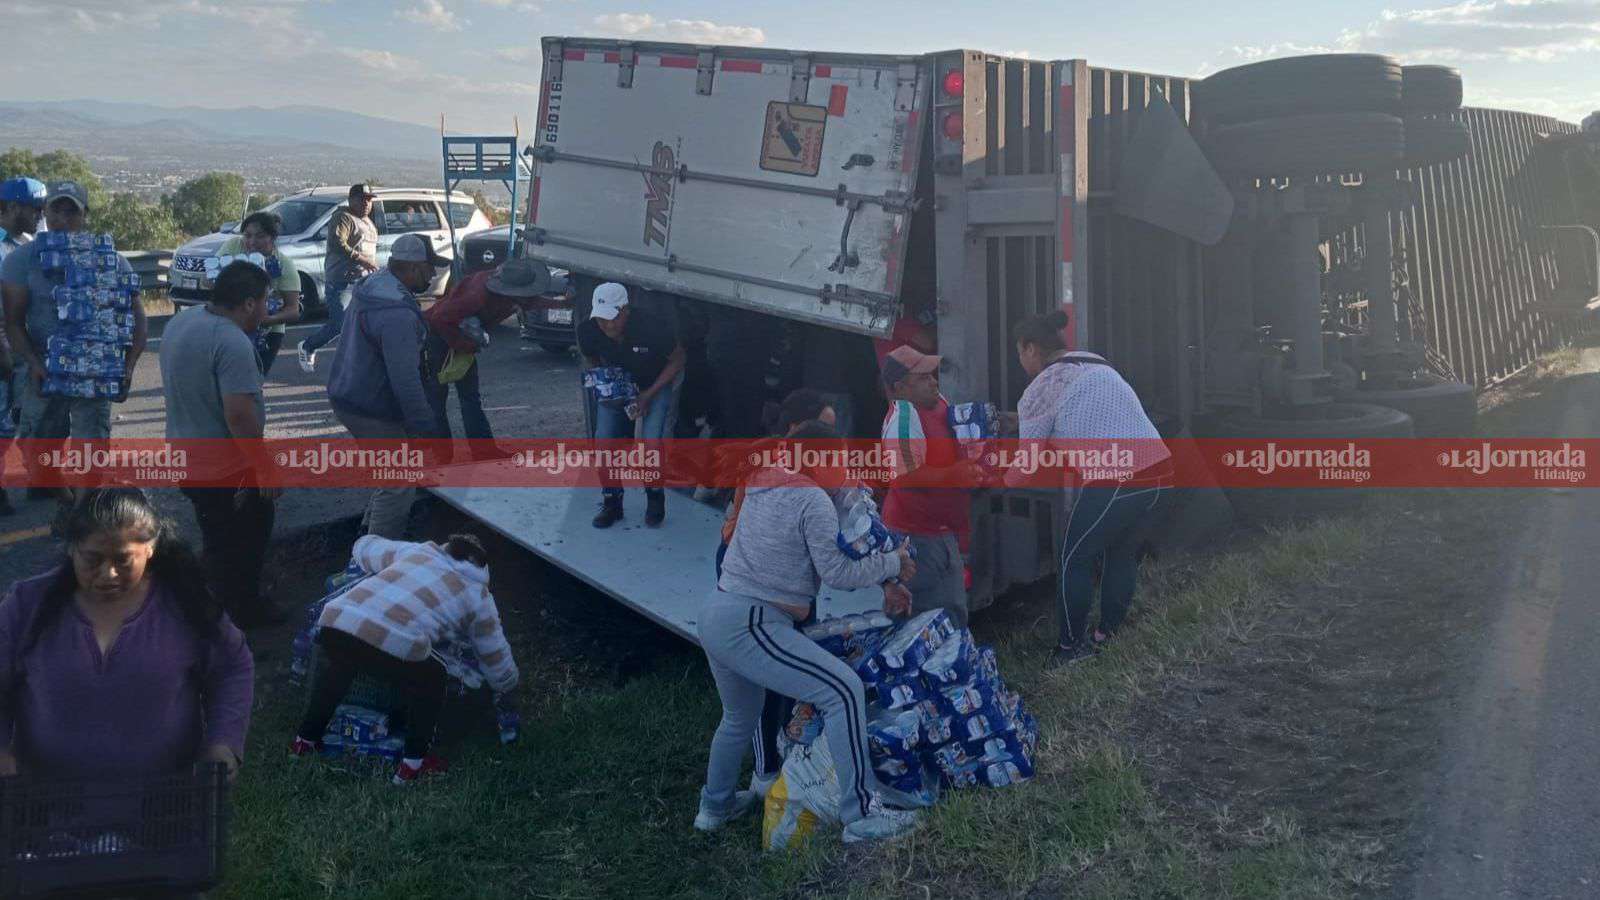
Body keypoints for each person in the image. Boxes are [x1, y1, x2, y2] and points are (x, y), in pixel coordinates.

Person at [697, 419, 920, 842]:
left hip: (716, 611)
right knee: (842, 691)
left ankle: (715, 808)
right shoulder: (811, 500)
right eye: (836, 455)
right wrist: (892, 563)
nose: (842, 464)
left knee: (738, 716)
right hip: (752, 620)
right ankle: (861, 817)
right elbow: (836, 571)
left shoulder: (766, 477)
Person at [0, 488, 254, 781]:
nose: (108, 574)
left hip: (168, 809)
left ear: (151, 548)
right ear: (71, 549)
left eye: (123, 560)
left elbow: (232, 667)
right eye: (92, 560)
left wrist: (223, 742)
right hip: (47, 808)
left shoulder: (185, 603)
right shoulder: (27, 605)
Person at [289, 532, 520, 785]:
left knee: (341, 666)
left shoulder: (419, 552)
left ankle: (304, 742)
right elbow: (495, 655)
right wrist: (506, 685)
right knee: (434, 678)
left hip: (337, 619)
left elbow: (366, 547)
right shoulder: (479, 596)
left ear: (448, 547)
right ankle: (413, 766)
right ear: (483, 567)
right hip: (395, 639)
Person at [1010, 309, 1173, 666]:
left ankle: (1070, 650)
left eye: (1019, 353)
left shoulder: (1041, 388)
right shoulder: (1093, 361)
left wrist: (985, 476)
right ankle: (1108, 634)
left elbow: (1026, 468)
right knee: (1122, 552)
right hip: (1160, 469)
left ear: (1031, 348)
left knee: (1073, 559)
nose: (1020, 361)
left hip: (1119, 478)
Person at [1, 181, 148, 500]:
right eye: (56, 209)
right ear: (45, 212)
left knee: (91, 447)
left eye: (72, 211)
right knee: (36, 444)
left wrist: (128, 367)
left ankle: (86, 510)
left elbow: (138, 318)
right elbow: (13, 322)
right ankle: (59, 492)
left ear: (85, 216)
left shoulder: (111, 260)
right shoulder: (22, 260)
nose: (63, 219)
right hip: (44, 367)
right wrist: (35, 364)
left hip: (95, 371)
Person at [160, 260, 285, 628]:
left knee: (217, 537)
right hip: (224, 466)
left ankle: (212, 608)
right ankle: (236, 615)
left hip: (187, 455)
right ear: (248, 303)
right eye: (265, 301)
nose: (267, 310)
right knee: (242, 541)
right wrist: (264, 468)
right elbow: (240, 415)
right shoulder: (232, 342)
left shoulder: (182, 321)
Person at [326, 232, 448, 539]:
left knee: (390, 473)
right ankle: (375, 562)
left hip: (350, 393)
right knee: (399, 481)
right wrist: (425, 424)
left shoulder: (373, 287)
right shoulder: (396, 314)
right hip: (369, 406)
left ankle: (368, 534)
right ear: (410, 268)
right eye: (428, 268)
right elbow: (404, 380)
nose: (432, 275)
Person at [878, 345, 984, 628]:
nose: (934, 381)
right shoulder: (902, 416)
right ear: (900, 388)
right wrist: (954, 474)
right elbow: (904, 476)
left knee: (953, 612)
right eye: (923, 377)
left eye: (932, 374)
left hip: (941, 533)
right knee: (917, 623)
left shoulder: (939, 403)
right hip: (915, 538)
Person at [576, 283, 685, 529]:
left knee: (650, 443)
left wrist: (647, 395)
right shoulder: (588, 330)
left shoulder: (653, 327)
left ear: (626, 310)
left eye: (612, 318)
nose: (607, 326)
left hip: (654, 384)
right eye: (601, 319)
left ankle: (655, 497)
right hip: (619, 384)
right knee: (604, 441)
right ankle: (612, 501)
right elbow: (590, 357)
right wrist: (605, 382)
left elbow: (678, 359)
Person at [423, 258, 549, 447]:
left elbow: (530, 302)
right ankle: (442, 454)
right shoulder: (476, 295)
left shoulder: (506, 287)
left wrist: (563, 304)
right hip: (438, 338)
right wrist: (463, 344)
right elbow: (439, 319)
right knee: (438, 398)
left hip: (462, 337)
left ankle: (482, 451)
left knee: (470, 398)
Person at [298, 184, 379, 372]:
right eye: (362, 199)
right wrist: (362, 260)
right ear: (351, 199)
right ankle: (308, 345)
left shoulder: (367, 221)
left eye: (369, 199)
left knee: (367, 322)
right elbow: (337, 243)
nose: (366, 203)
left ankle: (360, 361)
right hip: (343, 281)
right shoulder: (343, 217)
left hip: (365, 280)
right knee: (339, 323)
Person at [0, 177, 44, 516]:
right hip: (2, 345)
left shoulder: (31, 244)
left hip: (22, 345)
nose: (39, 215)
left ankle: (40, 481)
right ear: (12, 207)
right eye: (34, 208)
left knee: (22, 419)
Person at [219, 210, 301, 377]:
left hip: (268, 333)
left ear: (272, 237)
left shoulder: (284, 264)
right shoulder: (233, 246)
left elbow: (293, 310)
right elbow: (210, 280)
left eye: (260, 236)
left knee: (255, 379)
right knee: (228, 376)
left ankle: (254, 403)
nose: (252, 242)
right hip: (230, 326)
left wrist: (266, 320)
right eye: (247, 235)